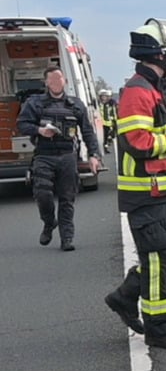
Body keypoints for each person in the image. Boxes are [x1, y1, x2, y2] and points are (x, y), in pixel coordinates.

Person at [104, 17, 166, 350]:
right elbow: (137, 142)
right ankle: (159, 327)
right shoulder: (137, 91)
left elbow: (159, 134)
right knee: (160, 257)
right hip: (146, 193)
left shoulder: (154, 89)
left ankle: (125, 296)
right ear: (157, 55)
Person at [16, 64, 102, 251]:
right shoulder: (35, 103)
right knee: (42, 194)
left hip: (67, 156)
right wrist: (39, 130)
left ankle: (67, 238)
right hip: (44, 155)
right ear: (46, 82)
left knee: (67, 198)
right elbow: (22, 124)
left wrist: (94, 155)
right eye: (52, 79)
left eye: (59, 79)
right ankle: (49, 222)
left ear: (65, 81)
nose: (56, 82)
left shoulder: (75, 104)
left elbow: (87, 132)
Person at [99, 88, 118, 153]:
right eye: (103, 96)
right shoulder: (99, 103)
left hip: (109, 122)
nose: (104, 98)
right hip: (101, 123)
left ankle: (106, 146)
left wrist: (114, 120)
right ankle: (104, 148)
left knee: (108, 135)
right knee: (104, 137)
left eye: (105, 96)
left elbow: (113, 112)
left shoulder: (111, 103)